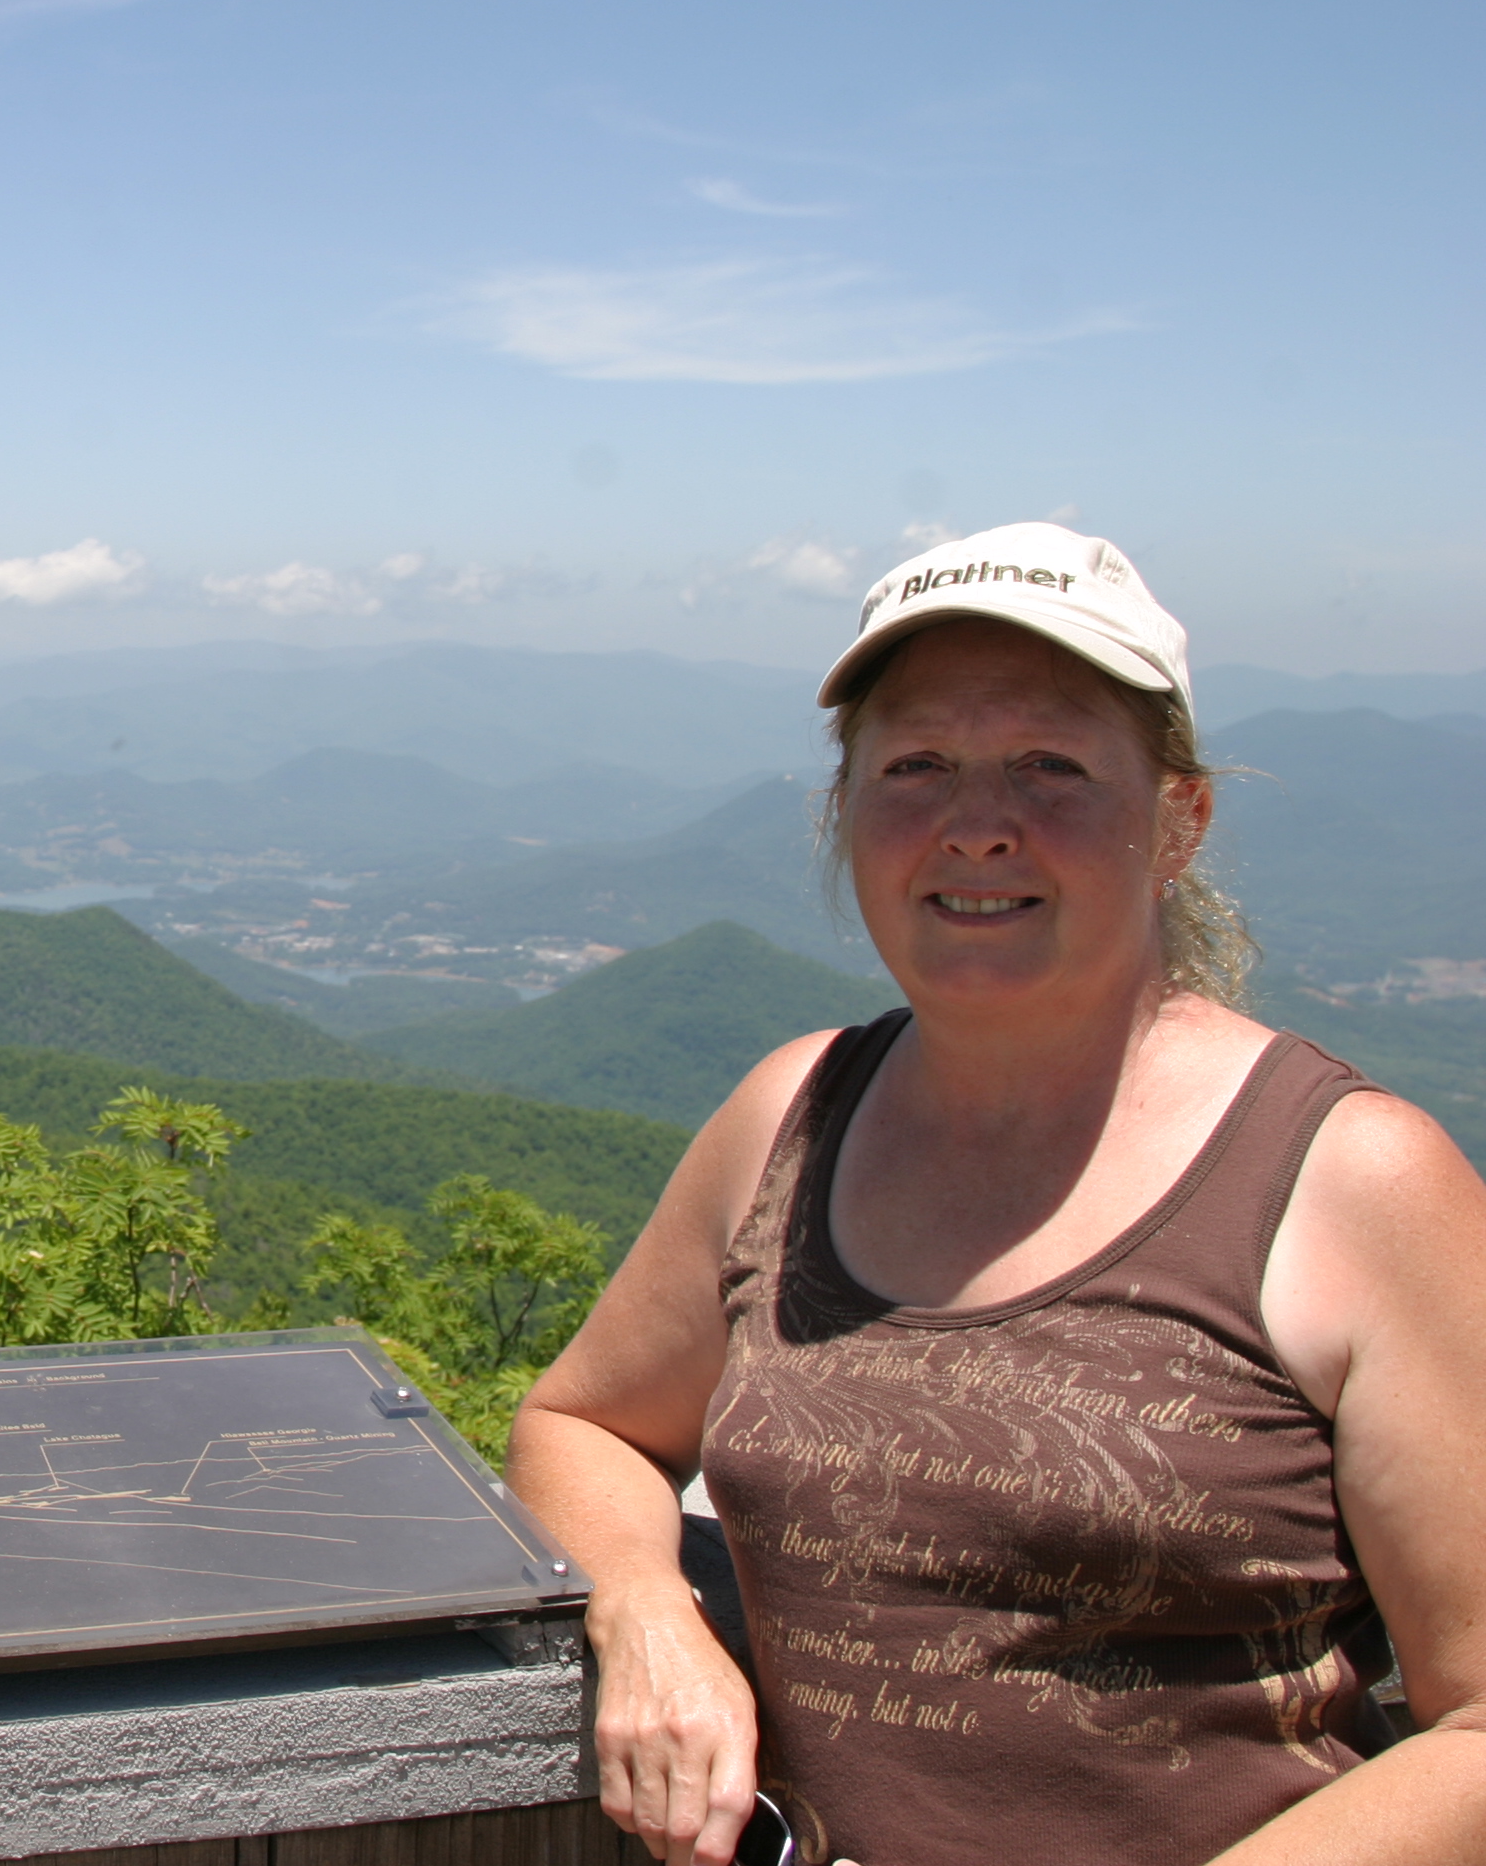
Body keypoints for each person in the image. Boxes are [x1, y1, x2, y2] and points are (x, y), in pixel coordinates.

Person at [507, 524, 1486, 1866]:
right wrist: (646, 1614)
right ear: (845, 809)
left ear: (1179, 819)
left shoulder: (1348, 1179)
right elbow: (585, 1425)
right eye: (917, 766)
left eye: (1052, 765)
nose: (977, 825)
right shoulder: (791, 1121)